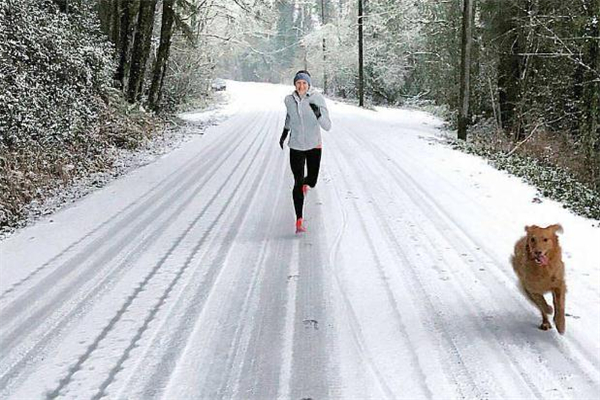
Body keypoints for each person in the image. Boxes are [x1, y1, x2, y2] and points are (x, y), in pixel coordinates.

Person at [279, 70, 332, 233]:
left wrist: (318, 114)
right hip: (296, 145)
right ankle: (299, 220)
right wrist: (284, 133)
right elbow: (289, 117)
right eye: (298, 83)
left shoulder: (317, 99)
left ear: (309, 85)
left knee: (312, 180)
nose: (301, 86)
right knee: (297, 181)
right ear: (295, 84)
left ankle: (305, 184)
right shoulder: (289, 100)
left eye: (304, 83)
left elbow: (327, 126)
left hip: (314, 145)